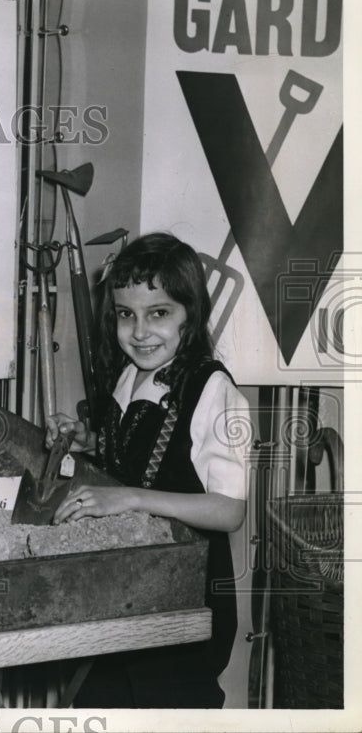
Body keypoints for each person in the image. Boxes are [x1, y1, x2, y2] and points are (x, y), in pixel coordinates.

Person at [47, 231, 250, 708]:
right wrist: (87, 441)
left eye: (159, 313)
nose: (139, 332)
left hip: (186, 599)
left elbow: (229, 510)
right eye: (125, 315)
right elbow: (135, 458)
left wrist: (132, 498)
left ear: (190, 315)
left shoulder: (213, 391)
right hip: (130, 589)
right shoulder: (128, 373)